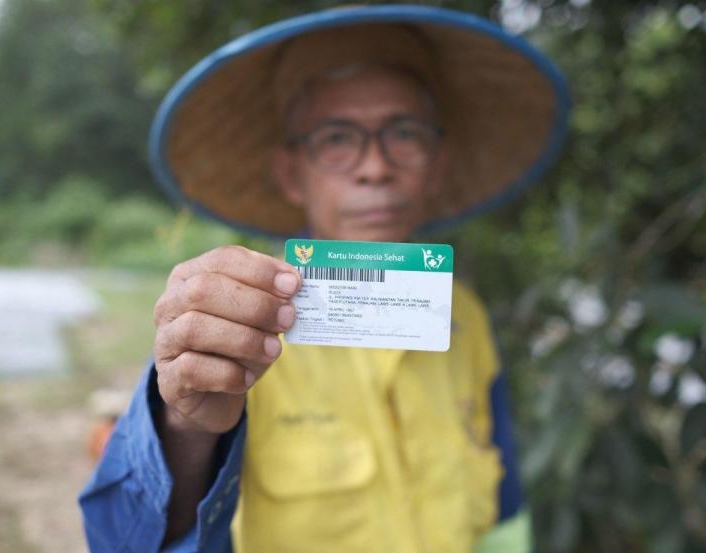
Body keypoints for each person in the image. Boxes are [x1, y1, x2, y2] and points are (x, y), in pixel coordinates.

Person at [79, 5, 570, 553]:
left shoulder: (467, 319)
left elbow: (502, 519)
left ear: (436, 162)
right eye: (337, 138)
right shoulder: (234, 325)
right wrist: (188, 424)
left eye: (403, 133)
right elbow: (132, 538)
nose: (376, 167)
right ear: (292, 173)